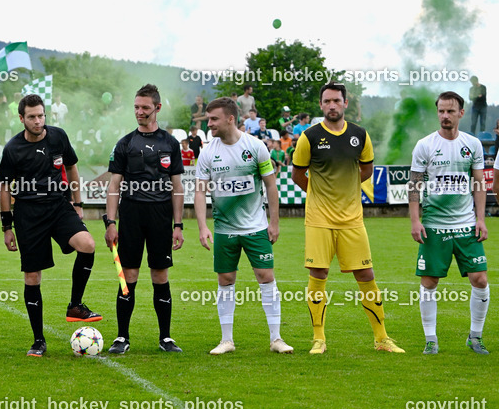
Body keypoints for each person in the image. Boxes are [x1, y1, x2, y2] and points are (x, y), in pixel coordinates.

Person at [291, 83, 403, 354]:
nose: (332, 105)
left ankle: (381, 339)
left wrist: (344, 191)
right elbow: (297, 175)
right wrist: (319, 195)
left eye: (336, 101)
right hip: (319, 219)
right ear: (321, 105)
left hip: (352, 220)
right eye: (327, 101)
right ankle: (319, 339)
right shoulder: (309, 137)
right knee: (319, 274)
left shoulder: (360, 135)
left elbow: (366, 170)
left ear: (345, 104)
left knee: (366, 274)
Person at [0, 94, 101, 357]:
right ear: (21, 118)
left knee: (87, 244)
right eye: (31, 116)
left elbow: (72, 168)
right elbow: (5, 189)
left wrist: (78, 204)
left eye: (41, 115)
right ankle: (38, 340)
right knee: (33, 276)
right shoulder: (13, 149)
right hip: (28, 213)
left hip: (58, 205)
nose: (37, 121)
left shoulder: (58, 136)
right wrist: (7, 227)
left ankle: (75, 305)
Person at [195, 98, 293, 355]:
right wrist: (203, 226)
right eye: (208, 118)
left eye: (214, 119)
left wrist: (274, 222)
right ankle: (226, 340)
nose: (209, 123)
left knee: (266, 277)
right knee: (225, 280)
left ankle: (276, 339)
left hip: (256, 227)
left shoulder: (255, 146)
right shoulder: (208, 152)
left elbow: (271, 185)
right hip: (225, 229)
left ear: (230, 118)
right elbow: (200, 191)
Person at [103, 84, 185, 354]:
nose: (139, 112)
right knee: (129, 275)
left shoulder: (170, 143)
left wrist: (178, 225)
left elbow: (177, 187)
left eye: (145, 108)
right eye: (136, 107)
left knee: (160, 275)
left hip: (161, 214)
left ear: (157, 108)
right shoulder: (125, 143)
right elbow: (114, 185)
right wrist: (111, 223)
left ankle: (166, 338)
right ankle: (122, 338)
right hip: (131, 214)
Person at [409, 91, 489, 354]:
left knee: (480, 279)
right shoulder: (425, 145)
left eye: (450, 111)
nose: (445, 116)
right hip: (434, 226)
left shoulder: (473, 144)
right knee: (429, 282)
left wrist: (480, 218)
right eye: (441, 111)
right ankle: (430, 339)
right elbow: (414, 186)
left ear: (461, 113)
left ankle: (475, 337)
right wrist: (415, 221)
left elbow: (479, 184)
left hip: (466, 225)